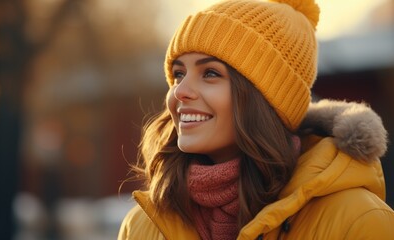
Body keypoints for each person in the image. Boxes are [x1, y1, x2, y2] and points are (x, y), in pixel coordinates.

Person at [119, 0, 394, 239]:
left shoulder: (359, 221)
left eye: (210, 73)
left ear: (266, 98)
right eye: (179, 74)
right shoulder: (142, 226)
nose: (179, 91)